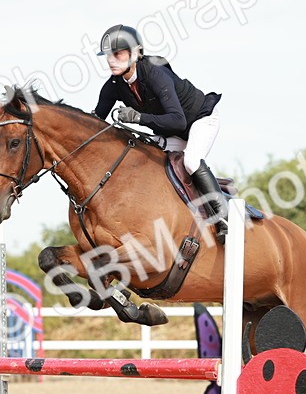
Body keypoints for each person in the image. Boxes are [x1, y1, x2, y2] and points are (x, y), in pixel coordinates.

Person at [92, 24, 228, 243]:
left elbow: (178, 120)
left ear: (135, 53)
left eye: (117, 54)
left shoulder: (155, 74)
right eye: (108, 55)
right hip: (172, 133)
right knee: (144, 160)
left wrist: (138, 118)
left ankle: (223, 216)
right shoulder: (114, 85)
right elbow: (96, 122)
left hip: (200, 119)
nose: (111, 60)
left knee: (191, 161)